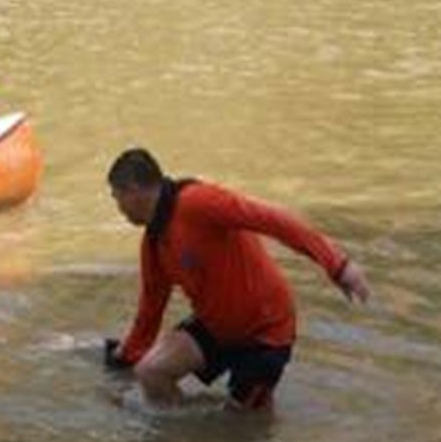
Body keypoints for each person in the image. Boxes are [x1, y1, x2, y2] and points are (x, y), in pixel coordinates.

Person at [104, 148, 371, 410]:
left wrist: (338, 265)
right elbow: (150, 311)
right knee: (150, 372)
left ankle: (232, 430)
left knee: (240, 428)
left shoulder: (199, 202)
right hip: (217, 327)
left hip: (265, 332)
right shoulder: (152, 245)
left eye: (117, 198)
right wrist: (123, 359)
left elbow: (272, 220)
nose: (119, 208)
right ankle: (190, 436)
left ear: (134, 191)